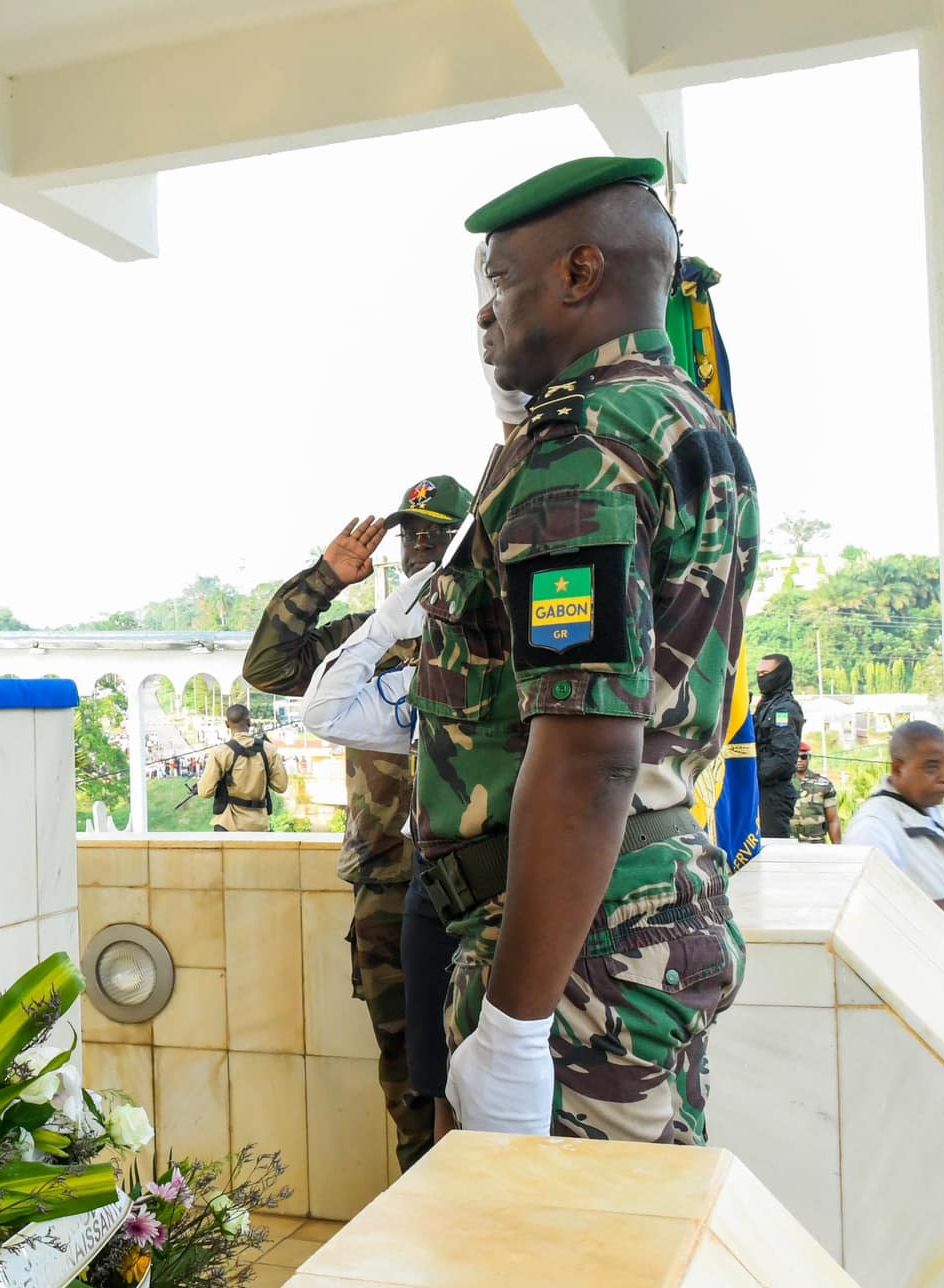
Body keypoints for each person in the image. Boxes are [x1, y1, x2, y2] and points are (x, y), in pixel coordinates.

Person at [413, 155, 758, 1145]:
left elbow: (588, 756)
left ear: (578, 272)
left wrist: (515, 1033)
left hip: (576, 958)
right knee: (626, 1231)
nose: (485, 311)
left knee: (557, 1242)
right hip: (624, 921)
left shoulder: (581, 444)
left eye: (500, 279)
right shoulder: (682, 421)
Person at [243, 474, 471, 1172]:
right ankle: (420, 1202)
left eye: (438, 533)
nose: (420, 544)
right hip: (386, 880)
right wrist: (326, 579)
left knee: (488, 1060)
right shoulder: (368, 637)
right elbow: (268, 667)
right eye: (412, 534)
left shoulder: (492, 632)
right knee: (406, 1068)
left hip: (479, 880)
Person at [847, 721, 944, 915]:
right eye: (932, 768)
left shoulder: (931, 810)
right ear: (898, 769)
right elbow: (876, 913)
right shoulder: (873, 828)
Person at [197, 704, 288, 832]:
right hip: (259, 825)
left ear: (227, 724)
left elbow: (204, 792)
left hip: (228, 825)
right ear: (249, 721)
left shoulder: (220, 752)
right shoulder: (269, 750)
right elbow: (281, 786)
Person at [754, 653, 806, 837]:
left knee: (771, 844)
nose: (761, 678)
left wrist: (753, 775)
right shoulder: (765, 706)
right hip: (761, 791)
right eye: (758, 674)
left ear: (780, 674)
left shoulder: (783, 710)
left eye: (765, 674)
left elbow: (784, 759)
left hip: (773, 794)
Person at [790, 744, 842, 844]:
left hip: (816, 842)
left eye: (803, 757)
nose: (799, 760)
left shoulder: (823, 784)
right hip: (788, 843)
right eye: (796, 756)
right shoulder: (782, 783)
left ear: (809, 758)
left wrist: (837, 848)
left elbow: (833, 819)